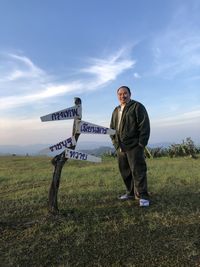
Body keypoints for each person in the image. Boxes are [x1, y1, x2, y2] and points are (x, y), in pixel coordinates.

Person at [110, 86, 150, 206]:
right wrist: (115, 143)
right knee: (125, 171)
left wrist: (141, 144)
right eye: (120, 94)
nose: (123, 96)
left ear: (130, 94)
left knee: (138, 170)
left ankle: (143, 196)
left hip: (134, 146)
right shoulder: (116, 110)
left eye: (125, 93)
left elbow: (144, 126)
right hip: (120, 147)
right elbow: (112, 128)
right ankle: (130, 193)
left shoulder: (137, 107)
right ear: (117, 96)